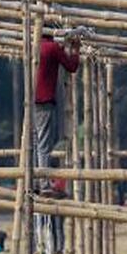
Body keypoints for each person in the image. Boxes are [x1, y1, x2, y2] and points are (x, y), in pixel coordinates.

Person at [34, 30, 81, 193]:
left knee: (35, 142)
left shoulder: (34, 46)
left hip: (30, 101)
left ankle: (34, 181)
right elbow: (72, 66)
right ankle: (43, 183)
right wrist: (75, 51)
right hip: (44, 100)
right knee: (44, 144)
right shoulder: (52, 47)